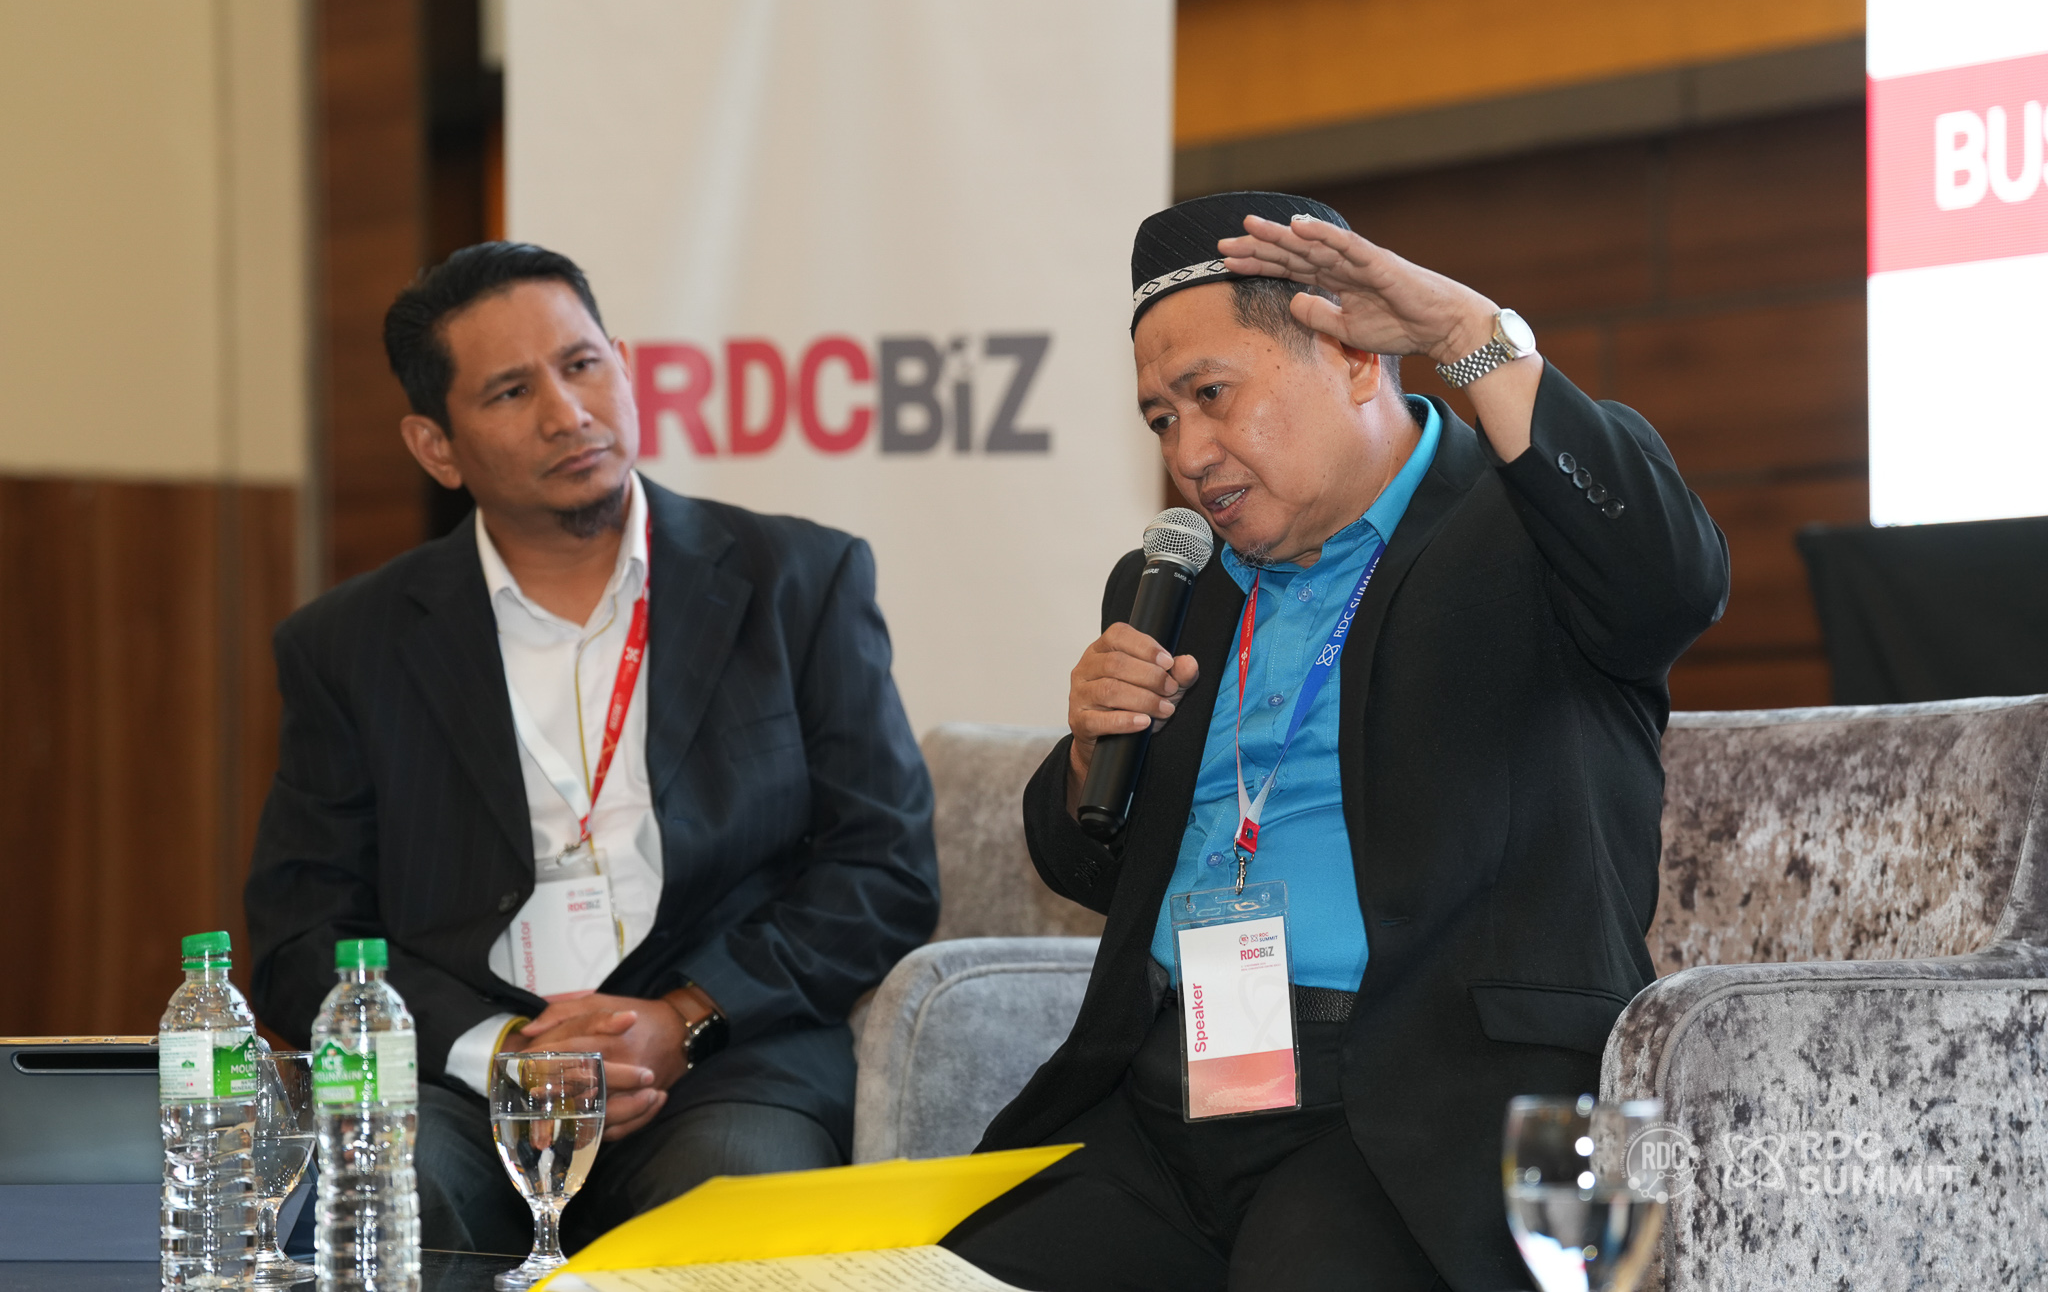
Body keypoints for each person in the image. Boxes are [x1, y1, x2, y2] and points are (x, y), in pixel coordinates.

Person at [944, 192, 1729, 1292]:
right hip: (1180, 1090)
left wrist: (1466, 335)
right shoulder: (1174, 586)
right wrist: (1087, 757)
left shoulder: (1528, 523)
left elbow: (1674, 583)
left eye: (1210, 395)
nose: (1189, 453)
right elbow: (1090, 863)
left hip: (1458, 1108)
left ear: (1356, 359)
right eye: (1161, 419)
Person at [245, 242, 939, 1251]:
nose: (567, 413)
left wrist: (688, 1015)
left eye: (581, 365)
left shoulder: (797, 579)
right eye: (511, 391)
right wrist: (500, 1050)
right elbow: (301, 935)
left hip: (728, 1061)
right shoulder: (349, 646)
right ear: (436, 447)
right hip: (467, 1082)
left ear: (624, 363)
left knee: (735, 1200)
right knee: (393, 1201)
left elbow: (884, 868)